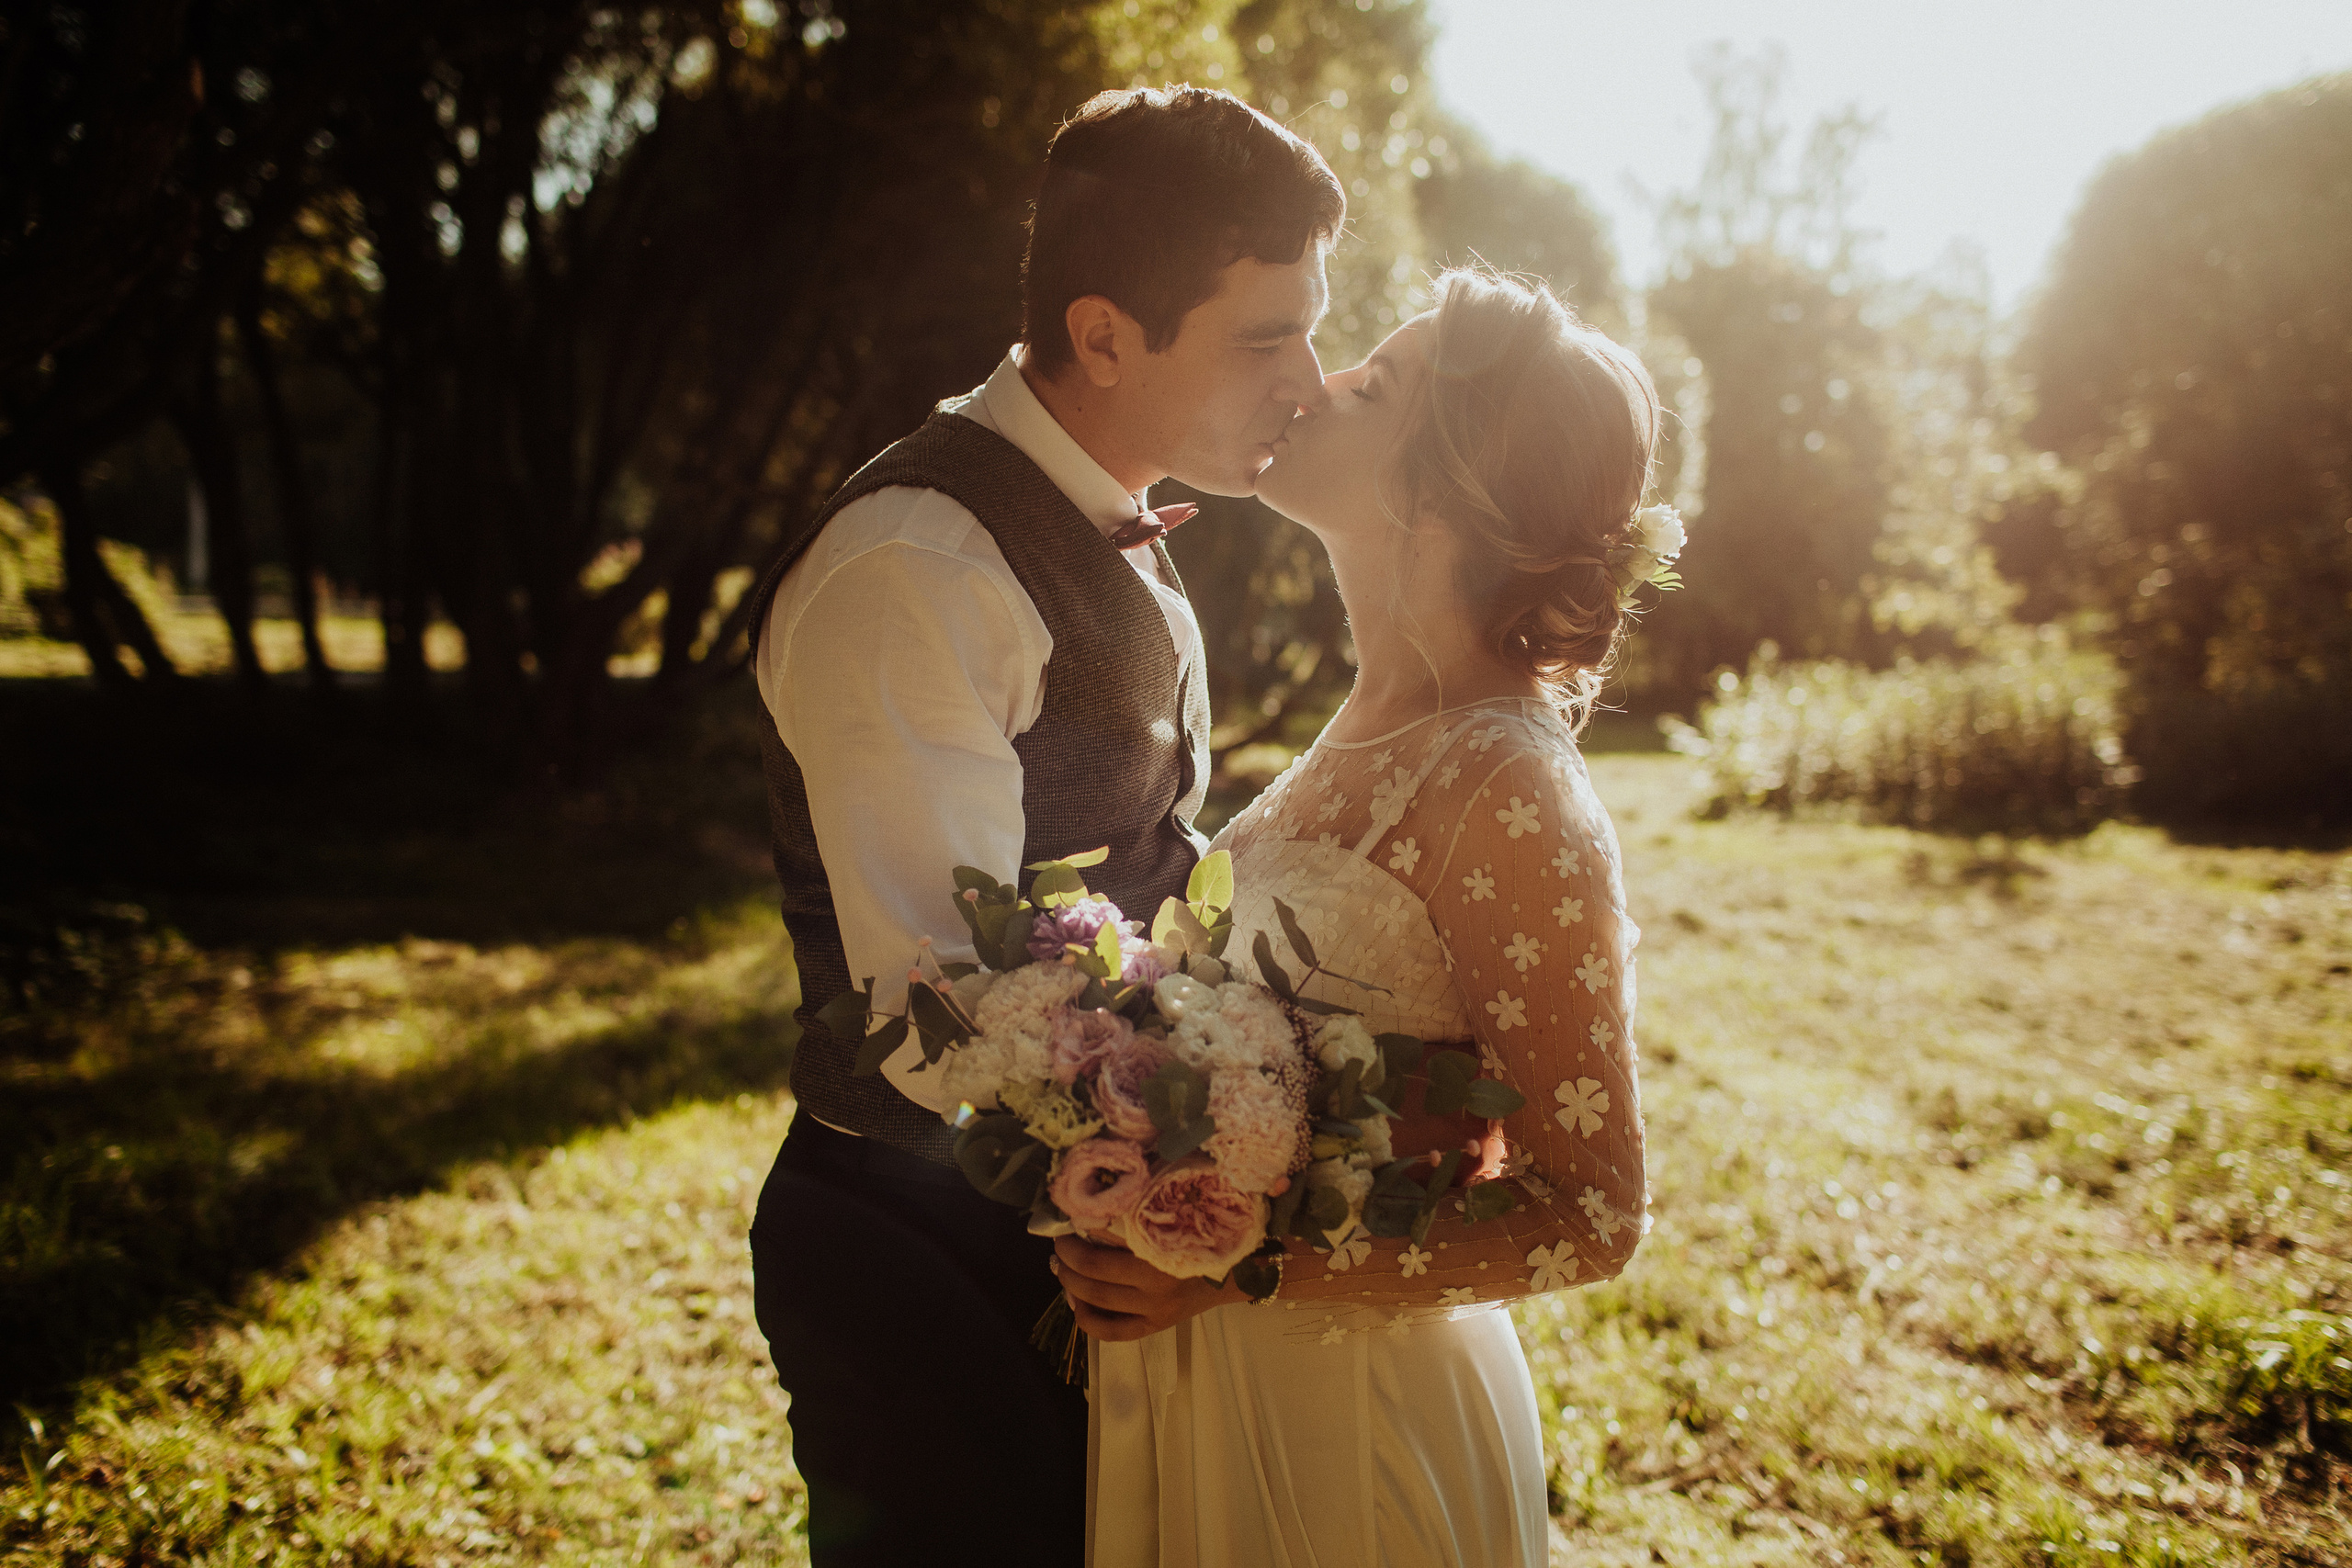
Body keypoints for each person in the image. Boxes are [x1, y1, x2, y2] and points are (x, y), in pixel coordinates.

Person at [741, 86, 1342, 1566]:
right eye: (1266, 337)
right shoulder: (919, 568)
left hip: (1079, 1226)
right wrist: (1232, 1169)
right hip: (924, 1252)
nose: (1309, 381)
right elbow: (942, 1005)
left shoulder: (1104, 507)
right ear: (1103, 333)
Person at [1057, 268, 1661, 1566]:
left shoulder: (1509, 788)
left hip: (1348, 1433)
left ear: (1444, 489)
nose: (1316, 381)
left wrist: (1245, 1265)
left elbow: (1590, 1211)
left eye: (1373, 382)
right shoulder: (1366, 725)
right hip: (1206, 1385)